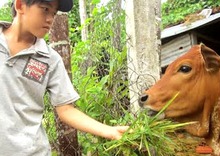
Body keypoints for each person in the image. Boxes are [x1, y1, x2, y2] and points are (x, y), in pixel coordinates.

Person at [0, 0, 129, 155]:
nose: (50, 19)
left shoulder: (49, 59)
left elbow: (66, 110)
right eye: (45, 9)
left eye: (53, 13)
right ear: (20, 5)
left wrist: (110, 131)